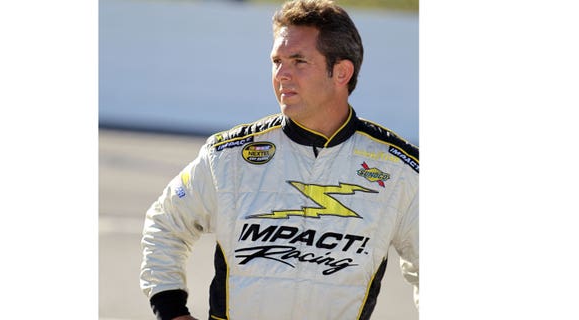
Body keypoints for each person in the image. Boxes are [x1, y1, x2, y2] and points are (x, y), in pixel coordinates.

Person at [140, 0, 419, 319]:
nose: (282, 74)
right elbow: (165, 222)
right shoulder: (229, 156)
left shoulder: (398, 169)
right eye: (277, 61)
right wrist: (171, 310)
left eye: (299, 61)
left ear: (341, 72)